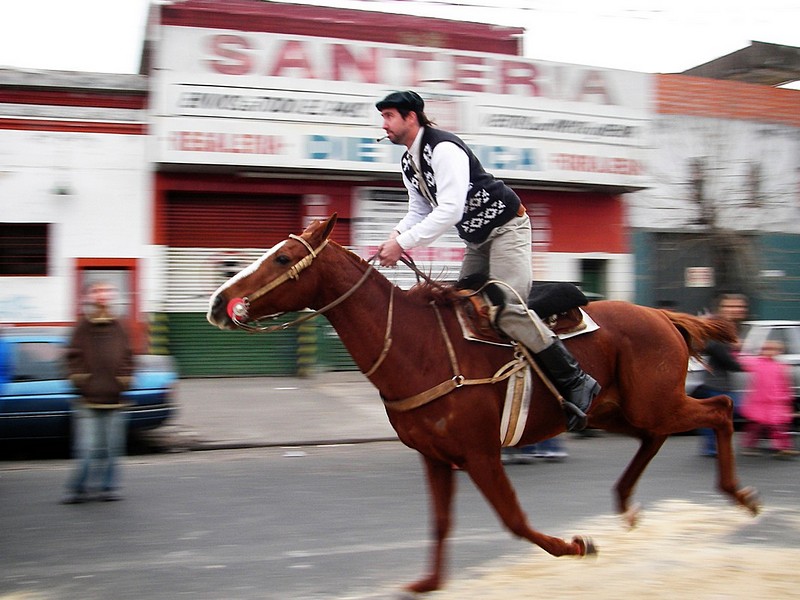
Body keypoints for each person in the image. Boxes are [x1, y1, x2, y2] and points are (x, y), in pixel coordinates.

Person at [375, 90, 599, 430]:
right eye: (383, 117)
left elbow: (449, 209)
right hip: (478, 239)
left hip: (508, 228)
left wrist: (403, 243)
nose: (384, 124)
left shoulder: (443, 148)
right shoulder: (409, 162)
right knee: (460, 308)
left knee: (506, 307)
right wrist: (394, 238)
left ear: (411, 117)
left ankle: (576, 380)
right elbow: (419, 210)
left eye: (389, 116)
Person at [61, 281, 134, 504]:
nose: (103, 295)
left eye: (107, 290)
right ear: (89, 296)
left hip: (115, 399)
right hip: (89, 400)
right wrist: (81, 380)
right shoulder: (82, 327)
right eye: (97, 291)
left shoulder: (119, 326)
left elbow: (129, 357)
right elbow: (72, 357)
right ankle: (77, 488)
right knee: (87, 448)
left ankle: (108, 487)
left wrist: (124, 379)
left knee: (113, 449)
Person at [692, 293, 748, 457]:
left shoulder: (737, 328)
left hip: (723, 383)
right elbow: (717, 351)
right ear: (721, 308)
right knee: (730, 412)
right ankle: (712, 447)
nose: (736, 310)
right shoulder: (717, 329)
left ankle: (712, 446)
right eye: (731, 306)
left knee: (717, 415)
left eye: (739, 306)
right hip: (717, 384)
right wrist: (741, 365)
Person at [738, 340, 798, 458]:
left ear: (779, 352)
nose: (770, 352)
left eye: (773, 350)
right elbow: (740, 360)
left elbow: (784, 383)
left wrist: (787, 396)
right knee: (756, 426)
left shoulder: (780, 366)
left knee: (778, 426)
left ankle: (783, 447)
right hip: (760, 401)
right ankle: (749, 446)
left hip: (776, 401)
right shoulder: (756, 363)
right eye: (766, 349)